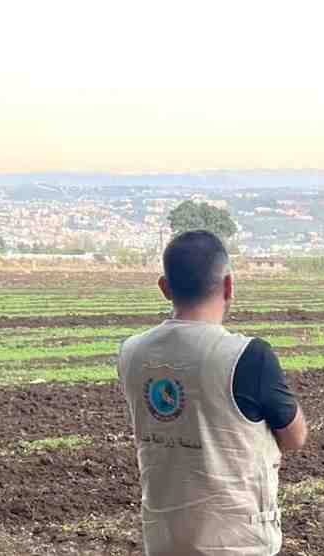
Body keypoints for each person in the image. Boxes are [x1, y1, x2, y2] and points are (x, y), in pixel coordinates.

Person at [118, 230, 307, 556]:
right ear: (229, 285)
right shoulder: (248, 356)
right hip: (237, 543)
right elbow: (295, 437)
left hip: (162, 540)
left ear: (164, 288)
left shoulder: (131, 353)